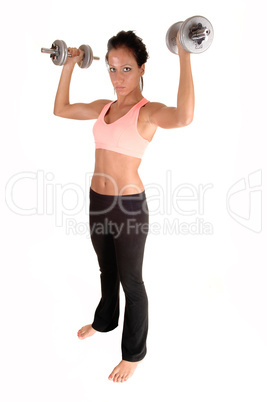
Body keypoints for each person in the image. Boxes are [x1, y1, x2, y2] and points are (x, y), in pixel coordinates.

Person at [53, 30, 194, 383]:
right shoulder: (104, 108)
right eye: (113, 69)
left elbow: (185, 117)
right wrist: (69, 63)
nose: (118, 78)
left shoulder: (149, 112)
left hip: (129, 207)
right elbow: (61, 109)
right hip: (97, 201)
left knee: (131, 281)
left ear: (142, 69)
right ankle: (105, 321)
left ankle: (133, 353)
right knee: (106, 270)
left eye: (127, 69)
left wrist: (185, 55)